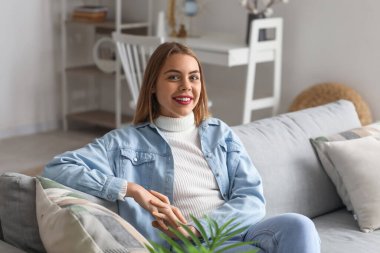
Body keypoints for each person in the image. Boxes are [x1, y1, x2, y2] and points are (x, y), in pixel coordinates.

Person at [43, 42, 320, 252]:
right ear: (153, 85)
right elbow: (57, 168)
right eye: (174, 77)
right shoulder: (123, 142)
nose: (186, 87)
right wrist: (131, 189)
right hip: (181, 246)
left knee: (299, 225)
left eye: (193, 77)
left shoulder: (219, 133)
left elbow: (252, 199)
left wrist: (200, 228)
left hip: (229, 233)